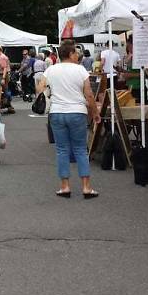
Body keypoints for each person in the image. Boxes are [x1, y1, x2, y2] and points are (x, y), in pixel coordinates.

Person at [39, 41, 101, 198]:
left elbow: (39, 88)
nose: (78, 55)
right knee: (80, 149)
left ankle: (65, 186)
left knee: (62, 150)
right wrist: (94, 112)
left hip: (57, 112)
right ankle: (86, 187)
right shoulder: (80, 70)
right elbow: (88, 94)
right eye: (76, 53)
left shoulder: (51, 70)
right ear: (71, 54)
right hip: (77, 112)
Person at [0, 45, 14, 114]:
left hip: (2, 75)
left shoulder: (1, 57)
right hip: (3, 75)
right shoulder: (2, 57)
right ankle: (8, 106)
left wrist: (3, 78)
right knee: (5, 91)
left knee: (4, 91)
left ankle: (8, 106)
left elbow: (4, 68)